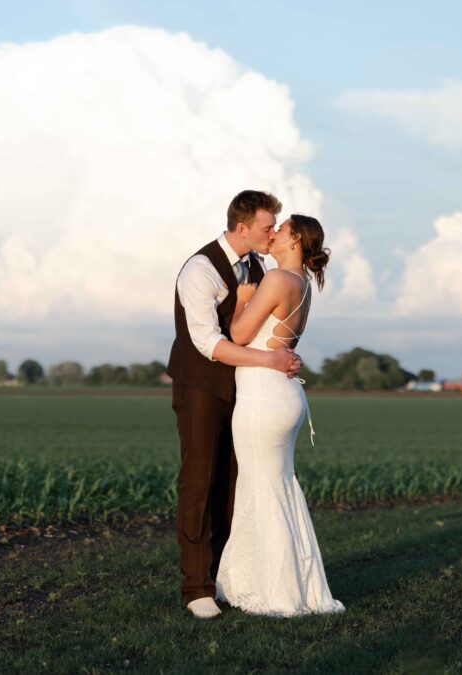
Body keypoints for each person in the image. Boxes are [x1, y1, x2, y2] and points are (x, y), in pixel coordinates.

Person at [167, 190, 302, 620]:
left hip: (247, 392)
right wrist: (270, 359)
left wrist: (280, 357)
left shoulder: (262, 267)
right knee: (200, 481)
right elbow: (208, 342)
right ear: (242, 228)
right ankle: (196, 587)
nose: (273, 233)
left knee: (232, 483)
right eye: (267, 227)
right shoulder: (200, 269)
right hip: (201, 388)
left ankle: (225, 576)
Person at [214, 214, 347, 617]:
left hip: (263, 396)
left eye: (281, 229)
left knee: (263, 490)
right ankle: (275, 583)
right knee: (277, 488)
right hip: (282, 396)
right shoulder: (302, 285)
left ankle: (279, 592)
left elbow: (238, 336)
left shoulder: (276, 281)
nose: (272, 234)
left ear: (295, 241)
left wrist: (240, 301)